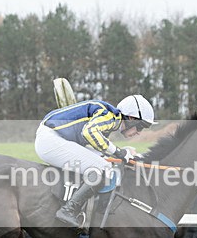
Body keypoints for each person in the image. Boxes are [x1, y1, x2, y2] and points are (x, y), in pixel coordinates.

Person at [35, 94, 156, 227]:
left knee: (104, 163)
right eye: (140, 127)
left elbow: (96, 147)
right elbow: (89, 132)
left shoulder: (109, 119)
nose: (139, 132)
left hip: (55, 137)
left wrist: (123, 155)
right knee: (102, 168)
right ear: (131, 118)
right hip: (51, 140)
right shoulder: (110, 116)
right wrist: (119, 152)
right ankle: (68, 210)